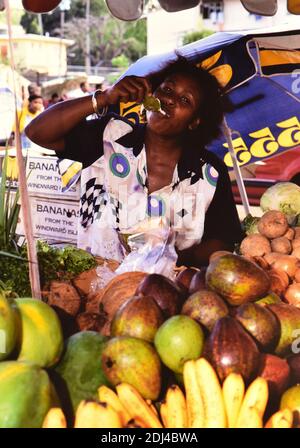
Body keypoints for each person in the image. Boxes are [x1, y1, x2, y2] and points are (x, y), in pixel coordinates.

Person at [25, 57, 243, 267]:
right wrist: (104, 97)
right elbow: (37, 132)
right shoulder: (108, 137)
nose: (168, 100)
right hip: (94, 290)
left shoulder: (209, 173)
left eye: (185, 100)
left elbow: (222, 239)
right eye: (166, 90)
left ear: (194, 122)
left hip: (169, 293)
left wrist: (171, 257)